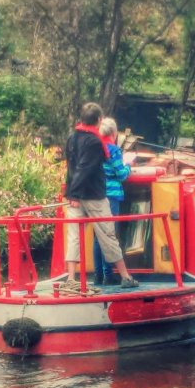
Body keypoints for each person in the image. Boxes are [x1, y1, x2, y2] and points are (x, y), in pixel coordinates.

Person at [63, 103, 139, 290]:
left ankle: (71, 279)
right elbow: (85, 169)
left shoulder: (72, 138)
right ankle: (125, 277)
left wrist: (71, 194)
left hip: (74, 196)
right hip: (94, 195)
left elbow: (71, 168)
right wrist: (75, 193)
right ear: (98, 120)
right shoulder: (95, 142)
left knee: (74, 235)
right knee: (107, 234)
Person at [93, 117, 131, 285]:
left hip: (97, 195)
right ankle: (109, 275)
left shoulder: (94, 149)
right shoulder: (114, 150)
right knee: (109, 235)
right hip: (111, 197)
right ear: (114, 133)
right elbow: (122, 174)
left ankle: (98, 275)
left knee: (97, 236)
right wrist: (129, 164)